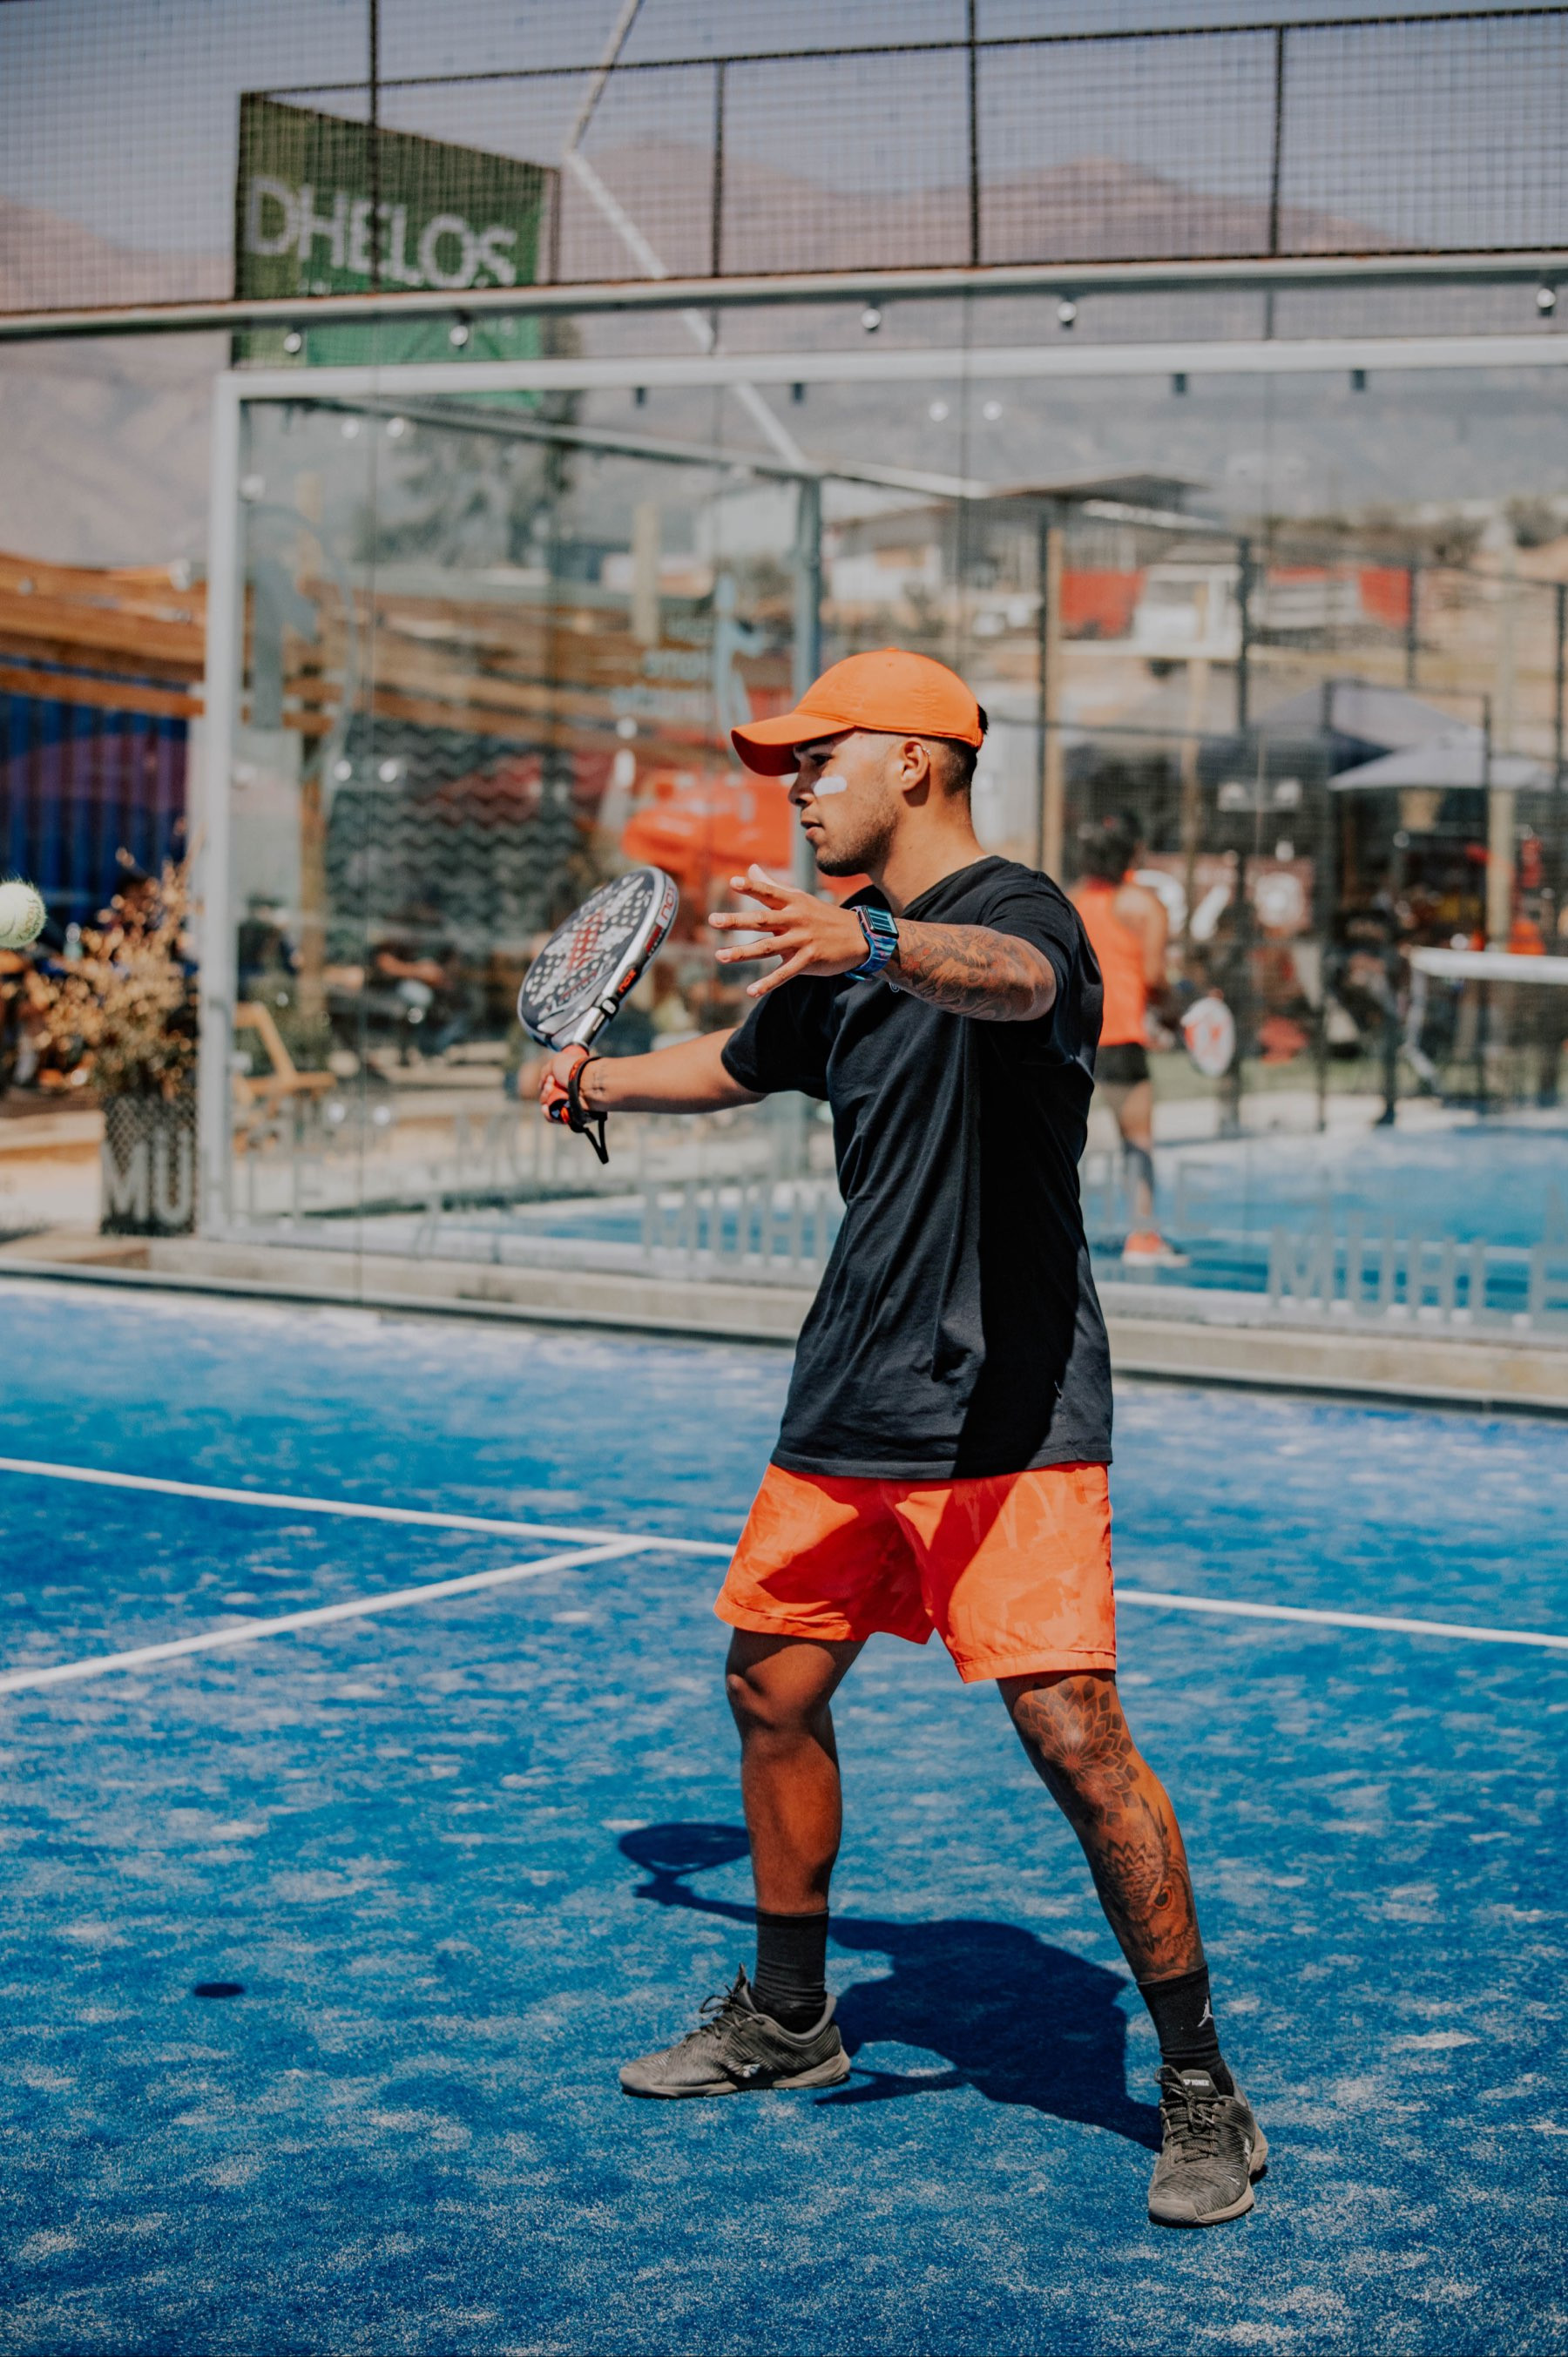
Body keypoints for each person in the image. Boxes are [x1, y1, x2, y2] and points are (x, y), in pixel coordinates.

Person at [537, 648, 1265, 2228]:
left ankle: (1202, 2083)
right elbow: (740, 1062)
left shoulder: (1020, 918)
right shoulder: (836, 951)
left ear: (917, 765)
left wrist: (868, 936)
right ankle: (792, 2015)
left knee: (1073, 1736)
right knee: (769, 1686)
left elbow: (1008, 984)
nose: (798, 790)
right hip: (849, 1397)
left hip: (1011, 1410)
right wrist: (596, 1076)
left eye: (820, 760)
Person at [1070, 813, 1183, 1267]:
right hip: (1118, 1039)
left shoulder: (1069, 901)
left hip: (1070, 1038)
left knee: (1057, 1145)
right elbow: (1154, 977)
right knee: (1137, 1140)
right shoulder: (1144, 905)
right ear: (1135, 851)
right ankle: (1143, 1237)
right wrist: (1177, 1013)